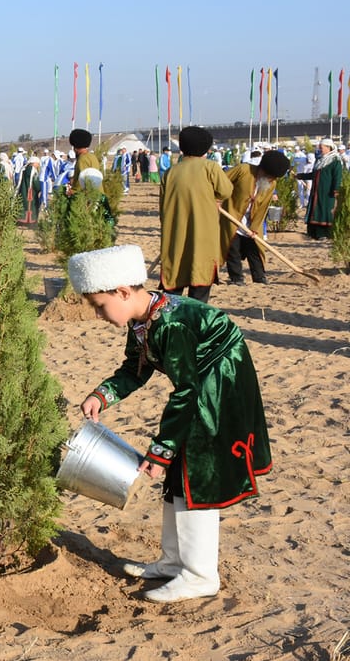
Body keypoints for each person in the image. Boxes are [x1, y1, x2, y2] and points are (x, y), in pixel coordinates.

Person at [70, 244, 270, 603]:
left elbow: (187, 391)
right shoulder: (143, 320)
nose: (99, 315)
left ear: (122, 292)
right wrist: (102, 395)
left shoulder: (171, 324)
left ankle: (200, 575)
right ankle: (174, 561)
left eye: (100, 306)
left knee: (198, 472)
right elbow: (135, 369)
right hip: (198, 385)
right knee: (179, 470)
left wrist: (161, 450)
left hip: (219, 387)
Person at [157, 126, 232, 303]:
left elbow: (162, 207)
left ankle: (171, 316)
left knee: (175, 276)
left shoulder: (171, 172)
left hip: (175, 235)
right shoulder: (210, 167)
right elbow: (226, 191)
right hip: (203, 235)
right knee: (200, 281)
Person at [220, 151, 289, 286]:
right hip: (231, 216)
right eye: (269, 176)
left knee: (255, 248)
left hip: (252, 220)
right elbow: (221, 182)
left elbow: (263, 207)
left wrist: (255, 227)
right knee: (233, 248)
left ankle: (259, 276)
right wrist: (217, 200)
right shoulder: (243, 170)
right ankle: (236, 278)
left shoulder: (271, 184)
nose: (270, 180)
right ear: (262, 170)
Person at [300, 138, 344, 239]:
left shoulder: (335, 160)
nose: (320, 149)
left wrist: (336, 190)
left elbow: (337, 177)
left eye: (322, 147)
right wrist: (301, 176)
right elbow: (314, 175)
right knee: (315, 210)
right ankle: (314, 233)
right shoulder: (320, 160)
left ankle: (324, 234)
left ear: (329, 148)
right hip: (316, 191)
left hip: (327, 192)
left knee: (324, 211)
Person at [16, 156, 42, 224]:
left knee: (23, 204)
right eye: (37, 163)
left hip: (23, 189)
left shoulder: (24, 168)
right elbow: (35, 181)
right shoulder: (32, 170)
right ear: (34, 163)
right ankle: (29, 220)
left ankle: (21, 219)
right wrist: (39, 188)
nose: (38, 165)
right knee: (29, 205)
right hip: (30, 191)